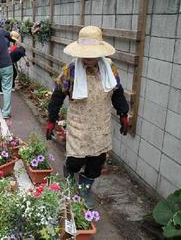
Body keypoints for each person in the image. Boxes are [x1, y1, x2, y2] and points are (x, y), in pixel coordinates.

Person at [46, 26, 129, 208]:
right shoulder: (70, 71)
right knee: (76, 160)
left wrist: (124, 113)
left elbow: (117, 92)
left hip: (100, 123)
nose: (89, 57)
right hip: (79, 123)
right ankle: (69, 175)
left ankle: (84, 189)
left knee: (96, 163)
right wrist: (51, 120)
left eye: (93, 54)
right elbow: (58, 95)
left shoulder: (110, 68)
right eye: (86, 54)